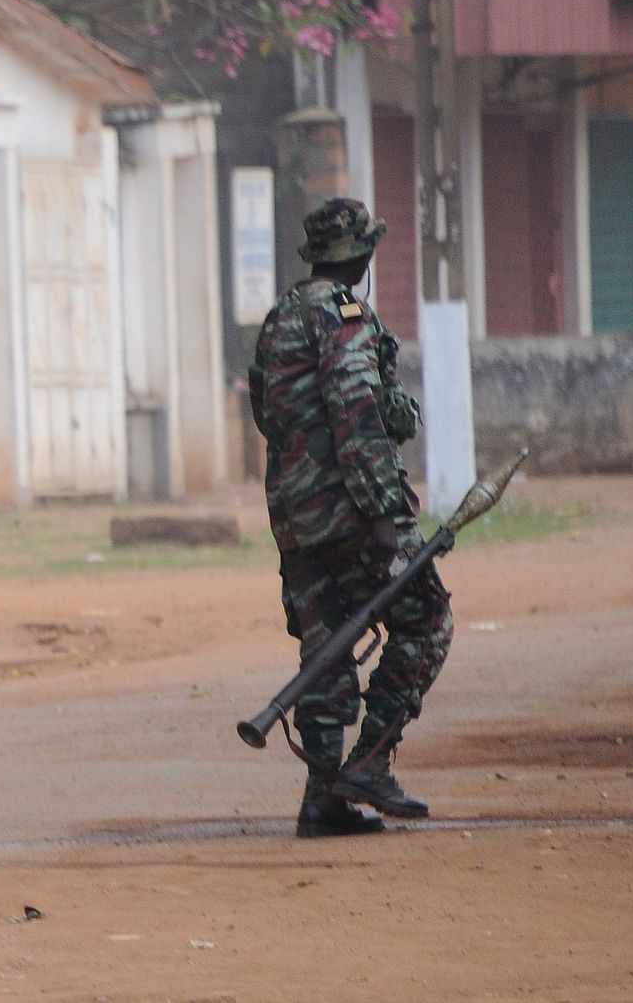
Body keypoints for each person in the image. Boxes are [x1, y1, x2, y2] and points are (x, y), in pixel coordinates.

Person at [249, 197, 455, 838]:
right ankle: (369, 762)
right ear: (362, 257)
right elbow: (357, 415)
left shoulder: (281, 316)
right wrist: (384, 516)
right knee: (426, 620)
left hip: (294, 514)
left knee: (325, 647)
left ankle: (321, 800)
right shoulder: (344, 315)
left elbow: (265, 410)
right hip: (349, 510)